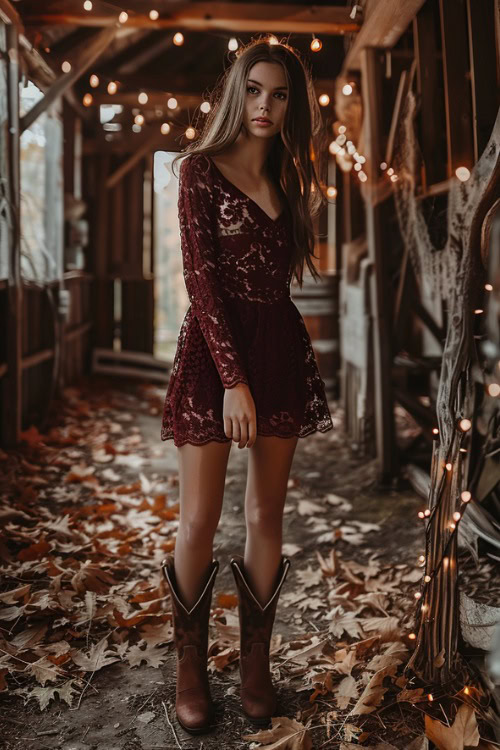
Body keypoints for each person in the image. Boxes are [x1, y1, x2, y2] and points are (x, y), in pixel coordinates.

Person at [160, 36, 334, 735]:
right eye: (255, 89)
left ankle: (255, 669)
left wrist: (264, 370)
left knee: (267, 516)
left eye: (280, 93)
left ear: (293, 105)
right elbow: (202, 284)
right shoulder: (199, 171)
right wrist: (233, 380)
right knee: (199, 518)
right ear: (238, 92)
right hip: (214, 355)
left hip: (279, 351)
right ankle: (190, 671)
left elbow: (281, 286)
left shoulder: (290, 180)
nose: (266, 105)